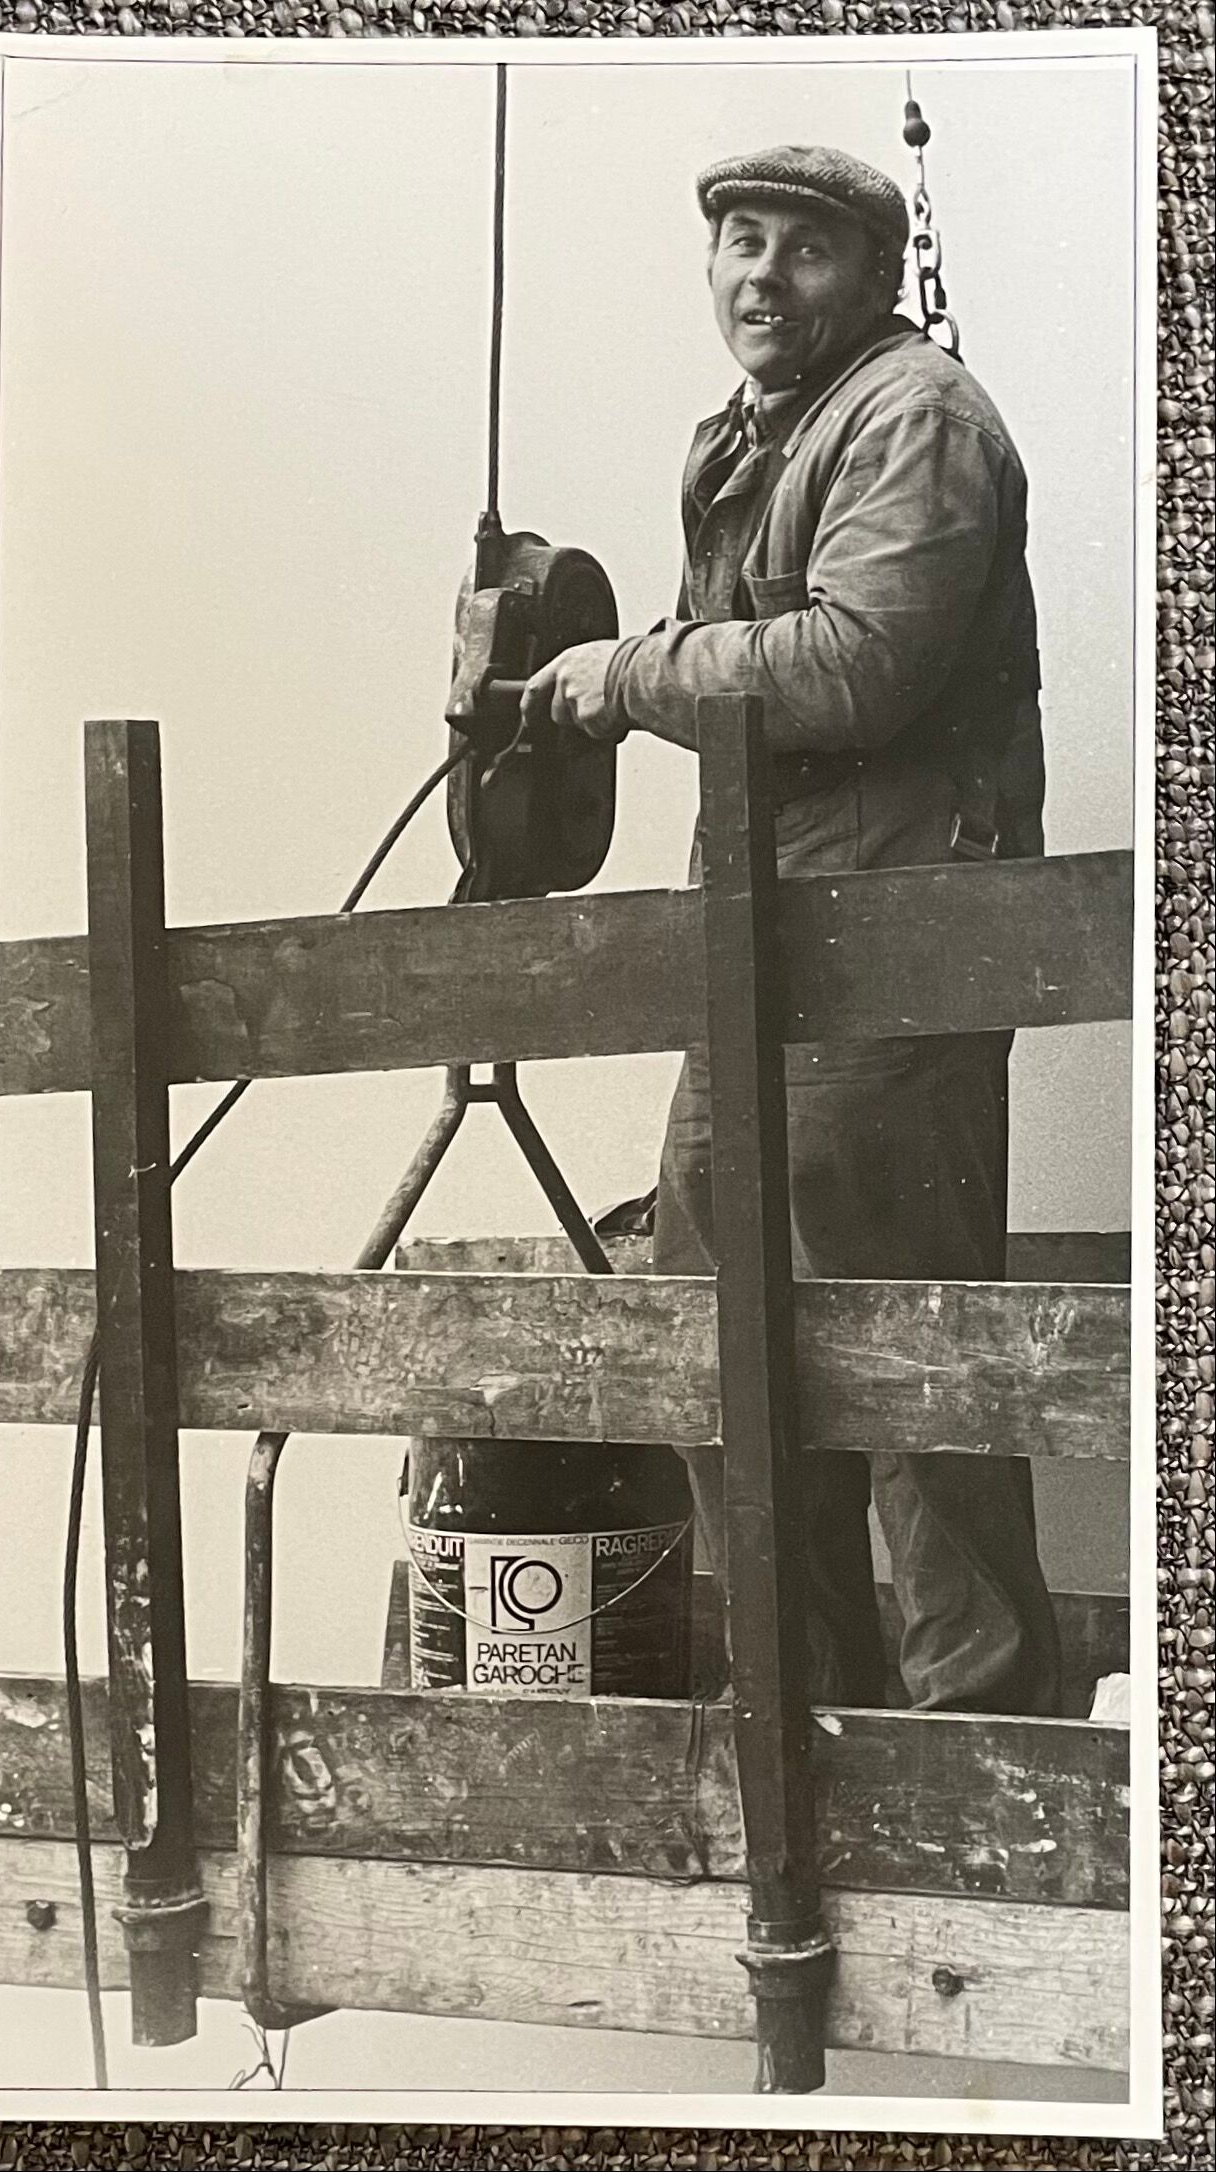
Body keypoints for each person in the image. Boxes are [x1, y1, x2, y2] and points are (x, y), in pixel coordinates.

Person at [521, 143, 1063, 1717]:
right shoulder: (752, 436)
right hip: (759, 951)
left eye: (805, 249)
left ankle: (978, 1768)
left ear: (879, 275)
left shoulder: (915, 416)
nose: (762, 275)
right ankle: (800, 1746)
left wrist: (632, 673)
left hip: (894, 948)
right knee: (722, 1341)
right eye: (741, 243)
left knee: (912, 1367)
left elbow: (855, 666)